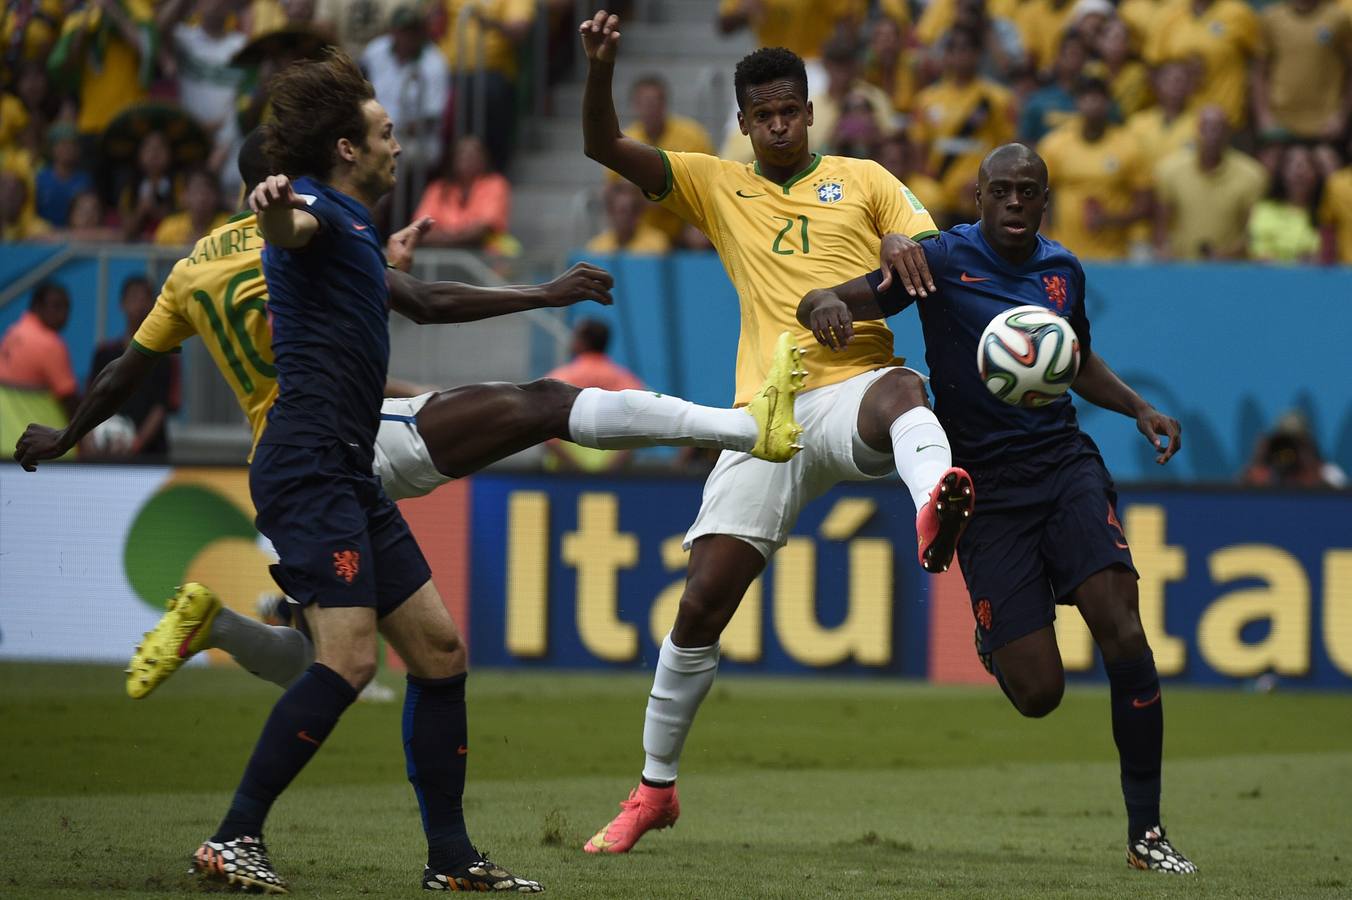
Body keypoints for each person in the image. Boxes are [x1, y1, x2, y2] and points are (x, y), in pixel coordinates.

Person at [13, 119, 806, 831]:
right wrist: (542, 292)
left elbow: (124, 371)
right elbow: (421, 300)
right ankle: (742, 425)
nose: (384, 147)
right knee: (545, 404)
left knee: (342, 658)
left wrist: (69, 435)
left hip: (283, 465)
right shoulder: (314, 228)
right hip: (346, 443)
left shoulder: (191, 268)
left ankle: (221, 631)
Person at [577, 9, 975, 855]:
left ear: (809, 111)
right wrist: (601, 69)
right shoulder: (717, 184)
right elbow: (606, 145)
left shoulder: (866, 180)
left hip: (853, 388)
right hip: (766, 416)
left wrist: (900, 246)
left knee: (903, 386)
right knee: (701, 603)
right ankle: (653, 790)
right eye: (766, 114)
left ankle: (934, 497)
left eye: (793, 109)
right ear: (745, 121)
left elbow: (929, 260)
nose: (783, 124)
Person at [796, 142, 1195, 875]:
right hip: (983, 488)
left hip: (1062, 466)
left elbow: (1071, 359)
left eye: (1029, 191)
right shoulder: (940, 262)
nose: (1015, 202)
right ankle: (997, 638)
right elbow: (849, 297)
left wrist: (1139, 407)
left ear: (1045, 201)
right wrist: (820, 301)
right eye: (1001, 191)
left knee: (1125, 632)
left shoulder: (1062, 270)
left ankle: (1147, 836)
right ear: (978, 198)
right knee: (1039, 693)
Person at [1036, 76, 1152, 260]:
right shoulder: (1054, 145)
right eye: (1087, 98)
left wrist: (1109, 219)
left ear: (1108, 104)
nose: (1093, 104)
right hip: (1064, 255)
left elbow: (1146, 205)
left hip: (1115, 257)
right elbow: (1036, 195)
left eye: (1099, 98)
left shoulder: (1129, 145)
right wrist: (1043, 238)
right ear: (1077, 103)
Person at [911, 25, 1015, 225]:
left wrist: (986, 181)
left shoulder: (998, 98)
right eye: (954, 49)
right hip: (938, 197)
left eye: (966, 49)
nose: (960, 55)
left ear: (978, 54)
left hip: (978, 195)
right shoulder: (926, 99)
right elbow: (919, 148)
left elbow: (1007, 149)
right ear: (946, 55)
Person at [1153, 105, 1266, 260]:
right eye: (1206, 128)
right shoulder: (1170, 170)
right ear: (1196, 131)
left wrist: (1226, 255)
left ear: (1228, 133)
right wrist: (1164, 251)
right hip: (1181, 268)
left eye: (1218, 128)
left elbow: (1255, 232)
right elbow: (1161, 225)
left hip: (1230, 269)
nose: (1212, 134)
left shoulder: (1252, 175)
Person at [85, 276, 179, 459]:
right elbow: (91, 399)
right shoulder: (104, 353)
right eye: (134, 299)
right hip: (106, 450)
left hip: (149, 453)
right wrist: (87, 437)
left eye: (145, 299)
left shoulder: (164, 358)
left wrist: (136, 444)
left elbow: (161, 408)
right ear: (122, 304)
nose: (140, 305)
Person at [619, 74, 714, 242]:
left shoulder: (693, 136)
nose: (650, 109)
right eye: (644, 103)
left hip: (687, 223)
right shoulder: (624, 142)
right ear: (634, 105)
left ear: (665, 104)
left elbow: (709, 184)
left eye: (655, 103)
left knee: (700, 237)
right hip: (643, 228)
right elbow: (615, 190)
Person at [543, 318, 645, 471]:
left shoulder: (558, 380)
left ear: (581, 342)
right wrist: (610, 468)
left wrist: (574, 467)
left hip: (563, 476)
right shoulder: (629, 382)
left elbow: (546, 432)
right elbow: (638, 429)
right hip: (614, 477)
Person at [1146, 0, 1259, 128]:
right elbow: (1153, 66)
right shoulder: (1169, 13)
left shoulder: (1238, 13)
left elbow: (1259, 60)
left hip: (1227, 119)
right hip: (1181, 124)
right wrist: (1182, 74)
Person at [1252, 0, 1352, 144]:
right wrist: (1263, 115)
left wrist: (1341, 117)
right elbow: (1259, 73)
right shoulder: (1271, 18)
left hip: (1325, 123)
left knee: (1327, 162)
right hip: (1280, 120)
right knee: (1269, 162)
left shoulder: (1339, 19)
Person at [0, 280, 77, 453]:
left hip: (7, 445)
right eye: (56, 306)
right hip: (46, 450)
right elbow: (69, 401)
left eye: (66, 307)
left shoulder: (12, 333)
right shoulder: (50, 344)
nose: (63, 314)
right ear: (37, 306)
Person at [411, 135, 512, 253]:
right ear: (452, 159)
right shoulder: (437, 188)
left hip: (485, 258)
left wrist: (444, 238)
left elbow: (484, 228)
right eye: (461, 154)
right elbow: (419, 228)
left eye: (472, 155)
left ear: (484, 159)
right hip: (440, 258)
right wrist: (458, 237)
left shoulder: (496, 184)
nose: (466, 159)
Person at [1248, 143, 1324, 263]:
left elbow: (1325, 257)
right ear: (1282, 172)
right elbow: (1259, 255)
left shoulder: (1325, 213)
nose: (1300, 171)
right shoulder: (1264, 210)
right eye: (1293, 164)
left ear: (1316, 174)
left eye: (1307, 165)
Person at [1241, 410, 1348, 488]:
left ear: (1308, 445)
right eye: (1284, 445)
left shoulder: (1329, 474)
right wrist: (1259, 460)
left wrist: (1312, 474)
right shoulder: (1270, 474)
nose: (1289, 451)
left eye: (1297, 444)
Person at [586, 179, 671, 254]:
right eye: (621, 211)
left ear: (639, 212)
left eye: (633, 210)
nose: (625, 217)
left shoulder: (658, 243)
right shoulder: (595, 247)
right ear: (610, 212)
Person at [153, 167, 229, 245]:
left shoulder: (228, 227)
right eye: (196, 191)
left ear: (217, 196)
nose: (202, 198)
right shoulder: (169, 227)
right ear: (184, 196)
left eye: (207, 192)